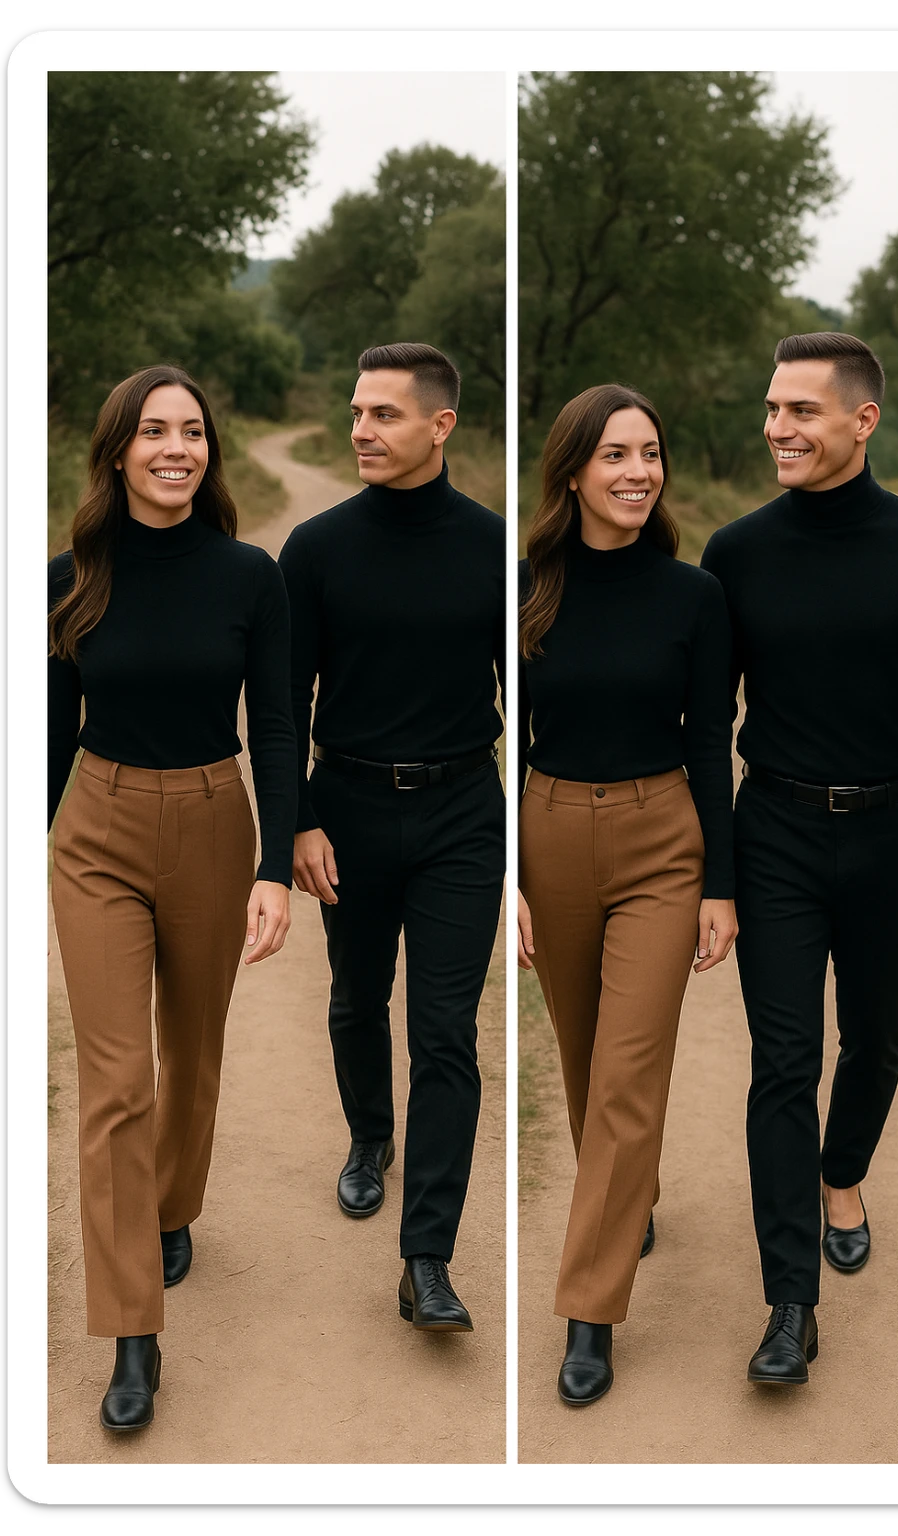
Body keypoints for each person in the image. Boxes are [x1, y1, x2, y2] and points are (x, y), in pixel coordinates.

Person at [700, 332, 898, 1385]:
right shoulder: (735, 552)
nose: (777, 428)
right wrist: (716, 871)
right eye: (771, 409)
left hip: (890, 836)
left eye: (801, 411)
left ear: (860, 421)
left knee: (875, 1037)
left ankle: (844, 1174)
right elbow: (701, 719)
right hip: (770, 829)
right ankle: (788, 1307)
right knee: (783, 1062)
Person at [48, 364, 296, 1431]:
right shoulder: (69, 575)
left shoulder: (250, 577)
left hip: (210, 819)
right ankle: (132, 1333)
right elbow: (47, 732)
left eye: (192, 432)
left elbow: (280, 725)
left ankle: (174, 1205)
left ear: (210, 451)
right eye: (153, 432)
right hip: (94, 828)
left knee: (191, 1051)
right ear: (116, 452)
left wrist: (275, 866)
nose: (175, 449)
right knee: (114, 1082)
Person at [277, 342, 505, 1332]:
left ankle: (427, 1259)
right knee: (356, 995)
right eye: (357, 411)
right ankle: (370, 1136)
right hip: (353, 806)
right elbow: (281, 704)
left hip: (463, 811)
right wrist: (295, 820)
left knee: (446, 1030)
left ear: (440, 426)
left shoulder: (495, 548)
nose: (361, 429)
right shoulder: (317, 550)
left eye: (384, 415)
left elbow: (531, 702)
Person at [517, 384, 738, 1404]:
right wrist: (510, 877)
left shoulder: (692, 597)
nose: (637, 472)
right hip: (551, 833)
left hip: (662, 841)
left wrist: (717, 887)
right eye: (614, 455)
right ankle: (625, 1198)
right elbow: (503, 749)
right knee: (578, 1053)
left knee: (627, 1072)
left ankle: (589, 1310)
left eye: (649, 453)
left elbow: (708, 746)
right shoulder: (523, 589)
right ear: (572, 471)